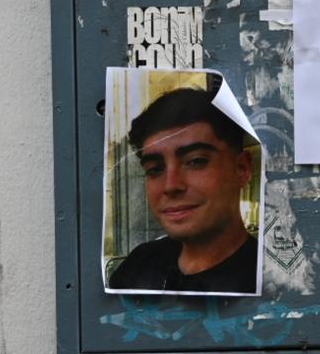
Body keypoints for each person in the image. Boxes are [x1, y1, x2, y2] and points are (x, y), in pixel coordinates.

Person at [108, 88, 258, 294]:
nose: (171, 185)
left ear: (242, 168)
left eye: (195, 161)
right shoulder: (138, 268)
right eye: (154, 169)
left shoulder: (272, 278)